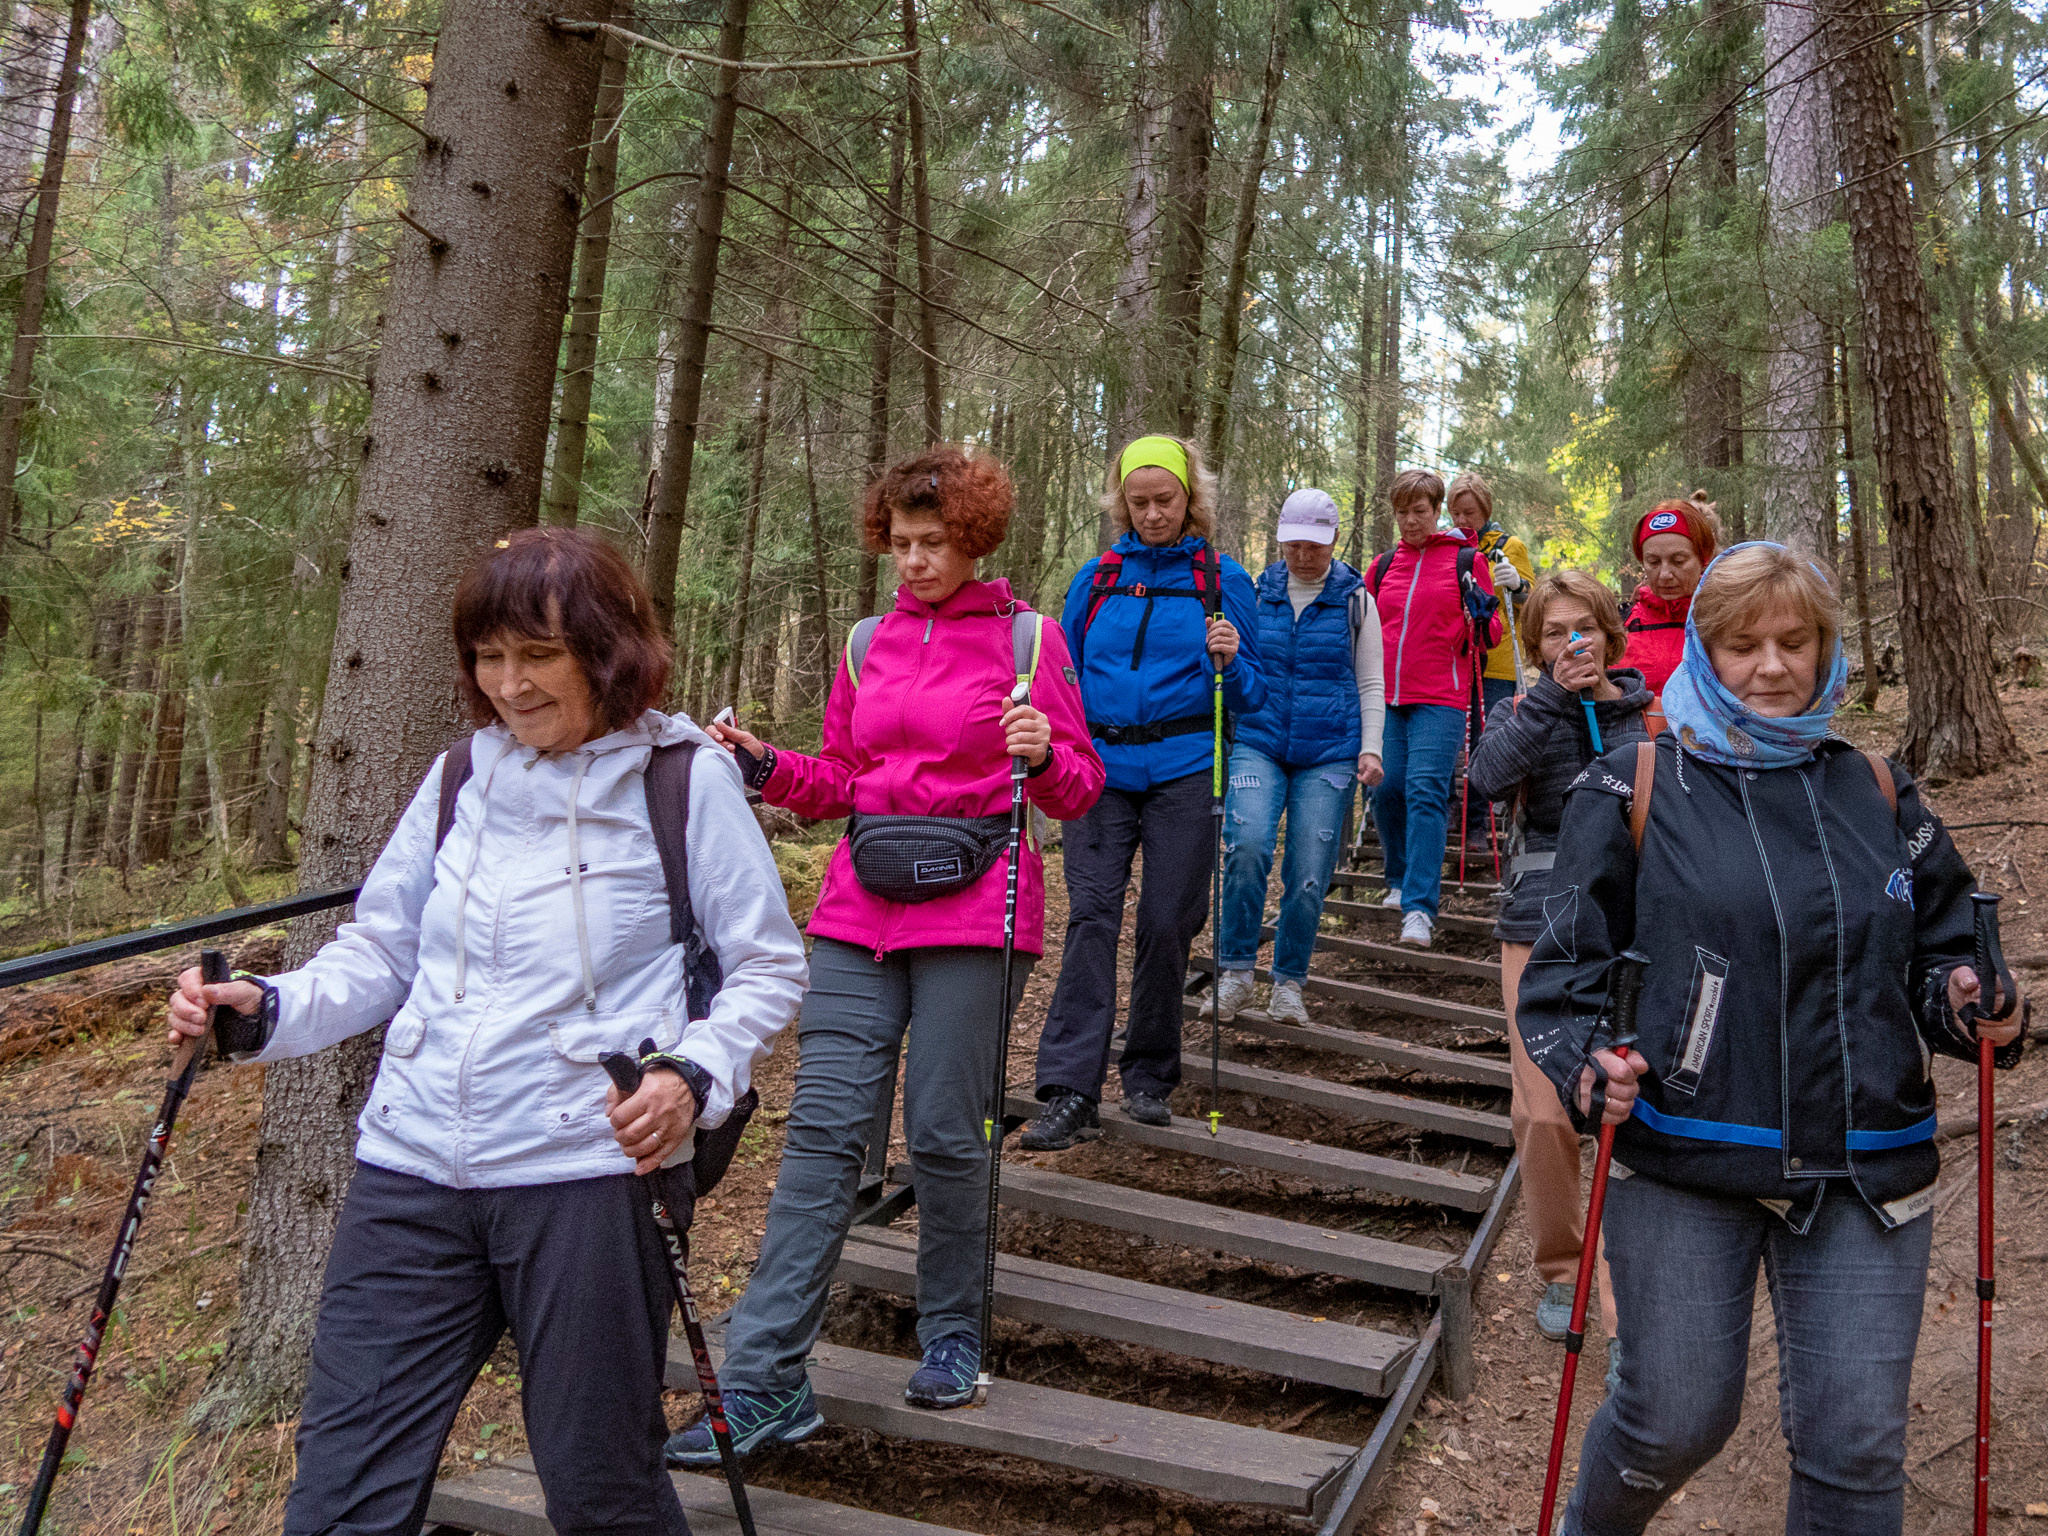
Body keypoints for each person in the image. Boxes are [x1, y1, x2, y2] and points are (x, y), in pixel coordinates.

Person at [165, 527, 808, 1536]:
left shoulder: (682, 779)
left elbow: (768, 963)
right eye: (489, 655)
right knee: (341, 1494)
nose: (509, 683)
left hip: (586, 1172)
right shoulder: (462, 775)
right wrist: (269, 1007)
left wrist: (692, 1073)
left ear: (605, 650)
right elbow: (382, 952)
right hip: (413, 1167)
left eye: (538, 654)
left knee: (598, 1490)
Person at [1518, 542, 2027, 1536]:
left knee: (1853, 1451)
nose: (1771, 665)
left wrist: (1976, 1001)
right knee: (1673, 1421)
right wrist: (1588, 1066)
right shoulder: (1628, 786)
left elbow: (1943, 952)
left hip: (1866, 1165)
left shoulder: (1877, 788)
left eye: (1794, 642)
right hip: (1680, 1157)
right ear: (1703, 653)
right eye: (1741, 644)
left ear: (1824, 648)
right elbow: (1561, 979)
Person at [685, 448, 1102, 1447]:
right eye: (901, 544)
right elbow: (838, 775)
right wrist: (764, 764)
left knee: (947, 1133)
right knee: (823, 1138)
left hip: (977, 910)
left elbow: (1080, 788)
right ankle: (762, 1382)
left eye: (933, 543)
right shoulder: (869, 641)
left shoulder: (1026, 641)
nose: (913, 561)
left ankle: (953, 1337)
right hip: (856, 912)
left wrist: (1042, 753)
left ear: (971, 540)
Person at [1021, 432, 1264, 1150]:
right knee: (1091, 919)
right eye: (1140, 502)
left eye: (1166, 500)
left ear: (1192, 499)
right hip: (1098, 772)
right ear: (1121, 504)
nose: (1154, 514)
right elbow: (1059, 680)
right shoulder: (1094, 577)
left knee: (1166, 922)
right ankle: (1069, 1090)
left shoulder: (1223, 580)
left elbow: (1250, 696)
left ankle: (1151, 1076)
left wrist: (1232, 660)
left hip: (1187, 770)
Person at [1465, 570, 1650, 1386]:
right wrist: (1545, 698)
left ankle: (1636, 1287)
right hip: (1536, 918)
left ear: (1610, 634)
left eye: (1584, 628)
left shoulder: (1650, 715)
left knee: (1632, 1094)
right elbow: (1485, 779)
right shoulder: (1521, 712)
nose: (1570, 643)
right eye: (1551, 632)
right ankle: (1560, 1269)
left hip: (1638, 925)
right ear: (1535, 645)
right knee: (1543, 1104)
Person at [1213, 487, 1384, 1026]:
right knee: (1247, 849)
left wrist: (1372, 748)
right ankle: (1236, 971)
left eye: (1314, 545)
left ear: (1333, 539)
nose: (1303, 555)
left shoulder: (1356, 599)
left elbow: (1371, 682)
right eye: (1293, 544)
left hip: (1330, 753)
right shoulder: (1255, 593)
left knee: (1309, 873)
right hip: (1258, 742)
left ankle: (1288, 983)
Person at [1362, 467, 1501, 949]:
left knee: (1425, 792)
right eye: (1402, 513)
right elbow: (1362, 630)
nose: (1410, 521)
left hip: (1441, 697)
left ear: (1435, 510)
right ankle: (1397, 879)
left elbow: (1490, 634)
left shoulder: (1464, 558)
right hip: (1387, 697)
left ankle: (1419, 908)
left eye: (1419, 512)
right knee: (1386, 790)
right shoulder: (1382, 567)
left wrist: (1482, 613)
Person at [1620, 491, 1722, 696]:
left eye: (1678, 561)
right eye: (1653, 562)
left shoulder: (1726, 615)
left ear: (1703, 559)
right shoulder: (1621, 623)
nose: (1665, 574)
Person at [1447, 471, 1532, 714]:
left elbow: (1536, 604)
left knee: (1491, 739)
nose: (1461, 519)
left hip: (1496, 665)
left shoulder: (1509, 547)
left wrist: (1518, 586)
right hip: (1456, 661)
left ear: (1486, 511)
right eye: (1456, 513)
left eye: (1469, 513)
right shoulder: (1447, 548)